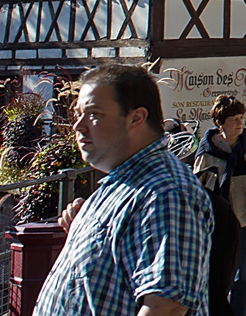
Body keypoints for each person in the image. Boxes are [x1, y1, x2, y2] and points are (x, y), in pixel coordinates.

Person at [36, 64, 213, 316]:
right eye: (78, 114)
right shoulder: (127, 182)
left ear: (136, 118)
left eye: (93, 114)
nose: (78, 126)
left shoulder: (165, 192)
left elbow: (166, 307)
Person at [193, 96, 246, 316]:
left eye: (242, 118)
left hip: (245, 219)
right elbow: (196, 187)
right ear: (219, 123)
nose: (240, 123)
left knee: (242, 277)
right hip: (215, 222)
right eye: (234, 119)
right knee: (216, 275)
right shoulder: (206, 150)